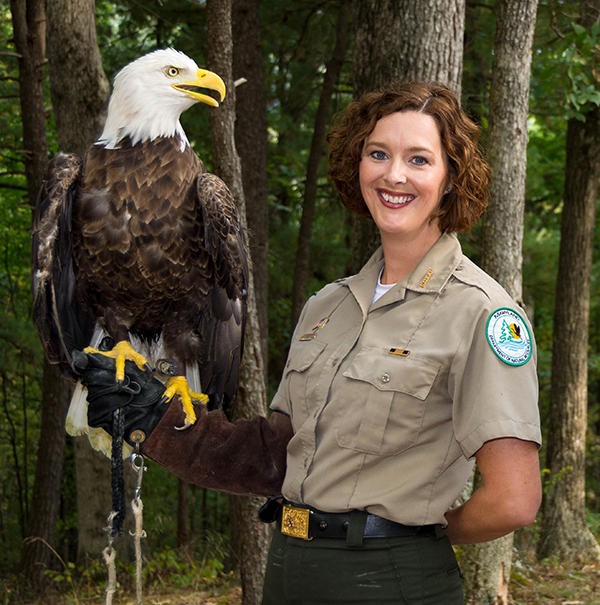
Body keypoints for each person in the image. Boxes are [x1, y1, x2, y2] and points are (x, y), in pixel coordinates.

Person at [77, 82, 542, 605]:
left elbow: (514, 500)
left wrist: (418, 535)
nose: (394, 175)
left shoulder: (480, 312)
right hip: (289, 571)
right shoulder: (328, 307)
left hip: (392, 580)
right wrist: (157, 423)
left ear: (451, 178)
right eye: (378, 154)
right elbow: (278, 457)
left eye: (419, 159)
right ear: (357, 165)